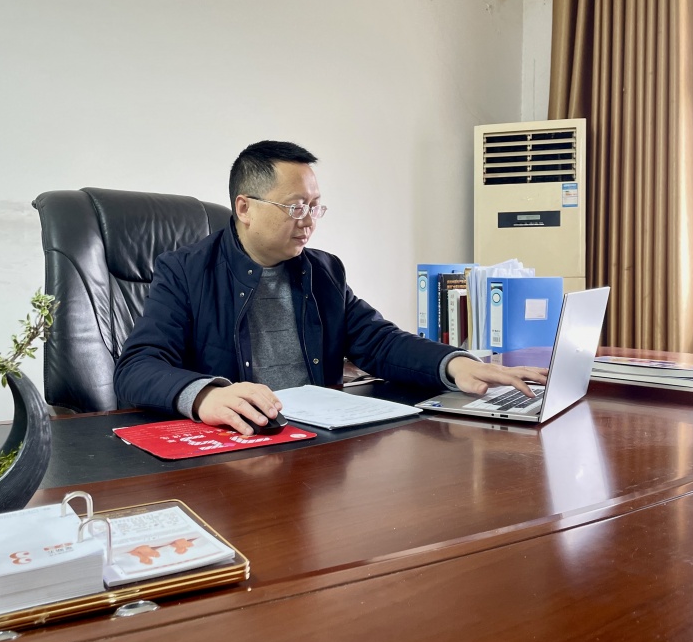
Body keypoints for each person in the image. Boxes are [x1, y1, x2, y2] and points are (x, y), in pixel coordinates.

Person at [114, 140, 547, 435]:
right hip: (237, 448)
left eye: (315, 207)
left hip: (318, 443)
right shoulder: (185, 271)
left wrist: (455, 364)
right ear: (244, 208)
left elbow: (378, 342)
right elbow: (136, 368)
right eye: (295, 207)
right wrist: (206, 396)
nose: (308, 221)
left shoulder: (322, 271)